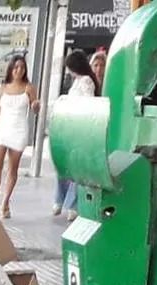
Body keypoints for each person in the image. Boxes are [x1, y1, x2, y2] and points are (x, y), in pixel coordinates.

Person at [0, 54, 39, 219]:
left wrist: (36, 105)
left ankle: (5, 201)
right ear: (11, 69)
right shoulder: (2, 88)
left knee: (12, 168)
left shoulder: (29, 88)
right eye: (16, 67)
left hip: (18, 129)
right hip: (2, 128)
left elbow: (35, 108)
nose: (19, 70)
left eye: (22, 67)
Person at [53, 50, 98, 218]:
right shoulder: (77, 82)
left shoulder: (86, 81)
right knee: (65, 165)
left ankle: (70, 203)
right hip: (71, 127)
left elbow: (88, 102)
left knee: (74, 167)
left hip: (79, 127)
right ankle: (62, 199)